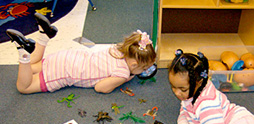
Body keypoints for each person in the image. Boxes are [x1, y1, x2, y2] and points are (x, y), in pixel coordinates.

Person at [6, 13, 156, 94]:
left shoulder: (118, 50)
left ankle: (43, 36)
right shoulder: (123, 73)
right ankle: (23, 52)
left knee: (33, 66)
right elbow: (101, 88)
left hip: (66, 57)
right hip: (64, 71)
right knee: (24, 87)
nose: (143, 71)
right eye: (143, 69)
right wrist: (126, 79)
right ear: (134, 64)